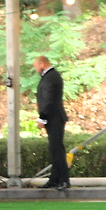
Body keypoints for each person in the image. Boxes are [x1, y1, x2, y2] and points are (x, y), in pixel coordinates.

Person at [34, 55, 70, 190]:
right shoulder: (50, 76)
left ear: (42, 64)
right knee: (54, 149)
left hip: (54, 118)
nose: (36, 69)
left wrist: (42, 118)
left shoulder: (51, 77)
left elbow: (48, 100)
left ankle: (64, 180)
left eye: (36, 66)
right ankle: (55, 179)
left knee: (57, 150)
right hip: (53, 118)